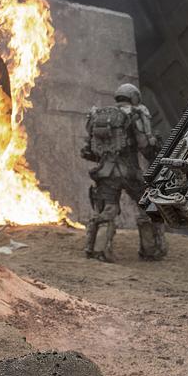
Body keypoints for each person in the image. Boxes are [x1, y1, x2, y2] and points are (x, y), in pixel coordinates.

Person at [80, 83, 167, 262]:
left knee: (107, 210)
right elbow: (144, 145)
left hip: (105, 172)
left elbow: (90, 149)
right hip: (129, 172)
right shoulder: (135, 114)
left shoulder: (100, 116)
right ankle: (150, 250)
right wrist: (154, 145)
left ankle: (98, 250)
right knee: (148, 206)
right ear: (134, 97)